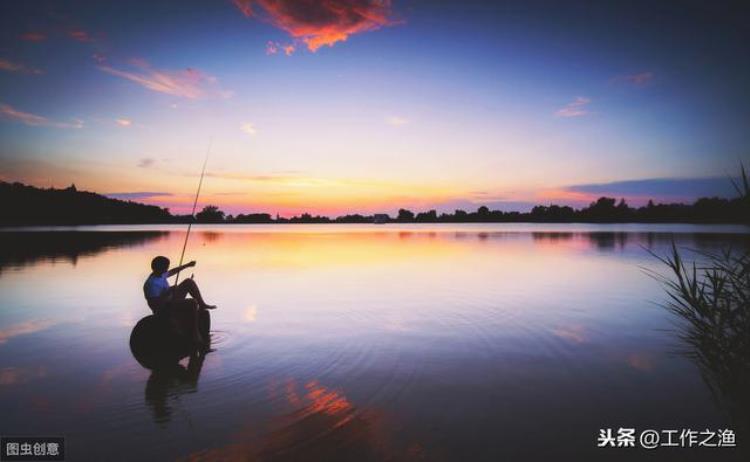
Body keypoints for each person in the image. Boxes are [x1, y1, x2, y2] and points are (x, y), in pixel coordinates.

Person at [143, 256, 216, 345]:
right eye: (166, 267)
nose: (167, 269)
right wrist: (168, 292)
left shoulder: (160, 274)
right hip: (164, 308)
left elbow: (173, 271)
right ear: (159, 268)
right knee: (192, 302)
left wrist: (187, 265)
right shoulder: (151, 284)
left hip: (170, 299)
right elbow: (154, 304)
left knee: (189, 282)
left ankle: (202, 304)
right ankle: (195, 333)